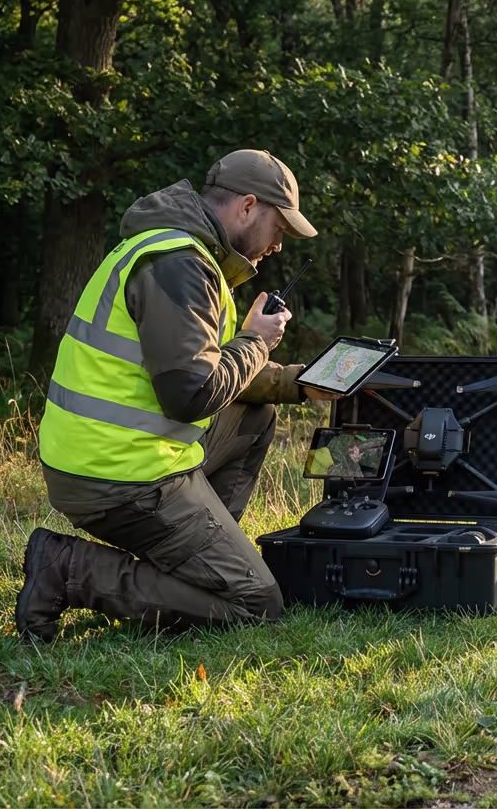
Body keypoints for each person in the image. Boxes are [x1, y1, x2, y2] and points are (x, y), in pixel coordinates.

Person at [17, 149, 335, 642]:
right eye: (279, 228)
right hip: (119, 477)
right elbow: (193, 394)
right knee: (254, 603)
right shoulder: (180, 265)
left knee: (255, 416)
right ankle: (67, 569)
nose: (277, 246)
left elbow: (216, 374)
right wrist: (255, 341)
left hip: (110, 458)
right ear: (248, 206)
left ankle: (200, 553)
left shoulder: (179, 252)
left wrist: (299, 382)